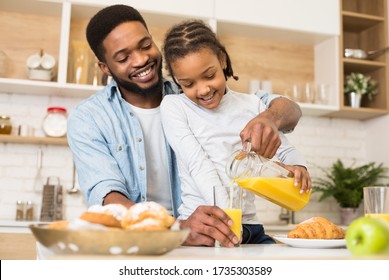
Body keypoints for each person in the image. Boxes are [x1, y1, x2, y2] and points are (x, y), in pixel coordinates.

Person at [67, 4, 302, 248]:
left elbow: (288, 109)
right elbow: (108, 198)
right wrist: (175, 229)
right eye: (124, 58)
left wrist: (270, 118)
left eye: (146, 45)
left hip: (210, 235)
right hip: (139, 243)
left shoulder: (189, 90)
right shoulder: (89, 118)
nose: (141, 59)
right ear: (105, 67)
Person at [160, 19, 311, 244]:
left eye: (210, 75)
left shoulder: (252, 105)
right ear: (177, 81)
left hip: (250, 228)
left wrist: (298, 166)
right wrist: (229, 220)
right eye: (188, 84)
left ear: (222, 59)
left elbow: (284, 148)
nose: (203, 89)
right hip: (206, 230)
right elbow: (198, 165)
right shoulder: (174, 107)